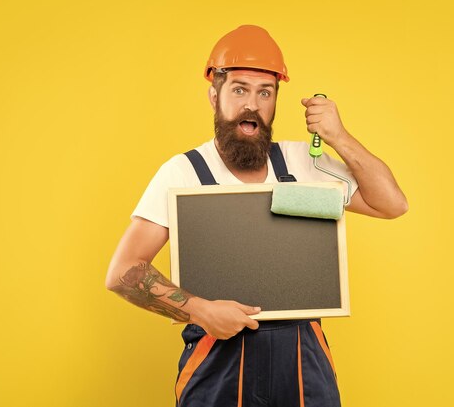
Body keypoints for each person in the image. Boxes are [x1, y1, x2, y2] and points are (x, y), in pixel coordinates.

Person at [106, 25, 408, 407]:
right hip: (217, 358)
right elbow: (123, 272)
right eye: (239, 89)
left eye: (265, 92)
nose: (252, 104)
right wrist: (201, 311)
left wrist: (339, 137)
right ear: (214, 95)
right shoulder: (183, 172)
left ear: (276, 100)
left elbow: (391, 204)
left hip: (303, 358)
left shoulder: (305, 163)